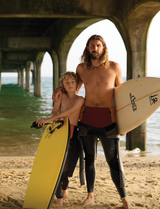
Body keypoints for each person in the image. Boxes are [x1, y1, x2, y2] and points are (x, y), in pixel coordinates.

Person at [52, 35, 132, 209]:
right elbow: (72, 87)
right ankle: (90, 196)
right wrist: (60, 88)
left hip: (108, 120)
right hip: (87, 119)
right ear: (87, 49)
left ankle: (124, 198)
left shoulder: (114, 67)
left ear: (103, 48)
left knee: (114, 160)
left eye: (98, 45)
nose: (95, 48)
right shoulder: (81, 69)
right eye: (92, 46)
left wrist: (124, 122)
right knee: (89, 159)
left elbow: (123, 95)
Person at [36, 71, 85, 207]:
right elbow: (54, 111)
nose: (70, 84)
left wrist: (50, 119)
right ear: (62, 85)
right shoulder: (61, 96)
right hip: (60, 131)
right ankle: (59, 198)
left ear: (76, 84)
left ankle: (64, 188)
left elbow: (69, 112)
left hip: (74, 133)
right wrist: (56, 118)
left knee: (68, 170)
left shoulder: (80, 99)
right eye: (66, 82)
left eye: (72, 82)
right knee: (57, 166)